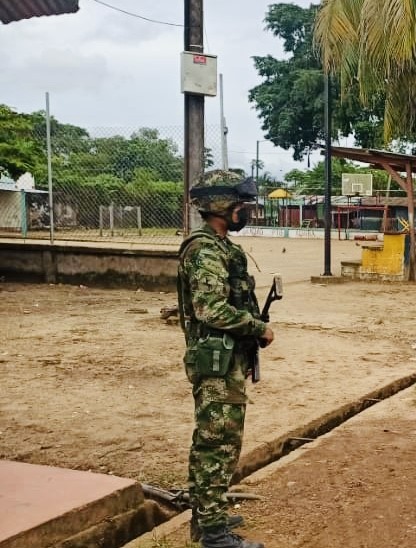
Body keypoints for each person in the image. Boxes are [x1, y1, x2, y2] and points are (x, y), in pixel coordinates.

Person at [177, 170, 272, 548]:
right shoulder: (204, 251)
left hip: (227, 359)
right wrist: (258, 328)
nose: (245, 211)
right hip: (216, 364)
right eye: (240, 204)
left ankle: (207, 517)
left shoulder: (222, 248)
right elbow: (210, 309)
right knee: (218, 445)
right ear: (220, 205)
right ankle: (214, 534)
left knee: (215, 441)